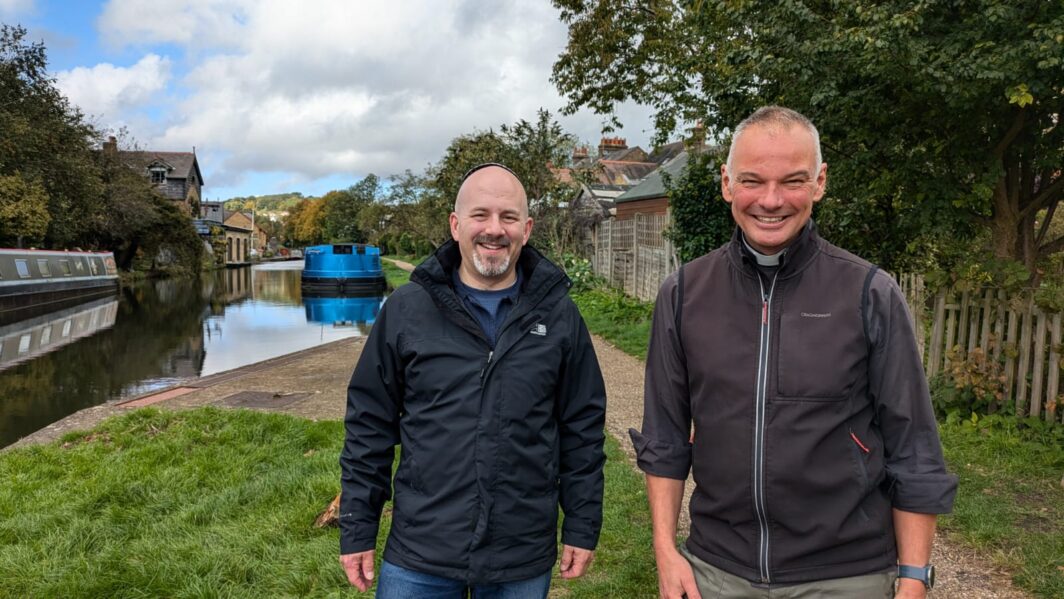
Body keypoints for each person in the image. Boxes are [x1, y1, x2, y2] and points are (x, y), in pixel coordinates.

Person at [631, 106, 958, 599]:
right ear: (726, 183)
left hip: (847, 575)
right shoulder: (682, 293)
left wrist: (913, 578)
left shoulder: (869, 292)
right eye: (752, 181)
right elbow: (665, 437)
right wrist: (665, 551)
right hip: (717, 572)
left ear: (820, 182)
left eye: (793, 181)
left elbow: (914, 448)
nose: (771, 200)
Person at [339, 163, 607, 598]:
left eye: (509, 217)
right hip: (420, 550)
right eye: (480, 215)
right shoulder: (407, 309)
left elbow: (582, 428)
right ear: (456, 224)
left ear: (528, 228)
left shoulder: (559, 315)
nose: (494, 230)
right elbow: (369, 424)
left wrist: (580, 523)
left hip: (519, 554)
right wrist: (357, 528)